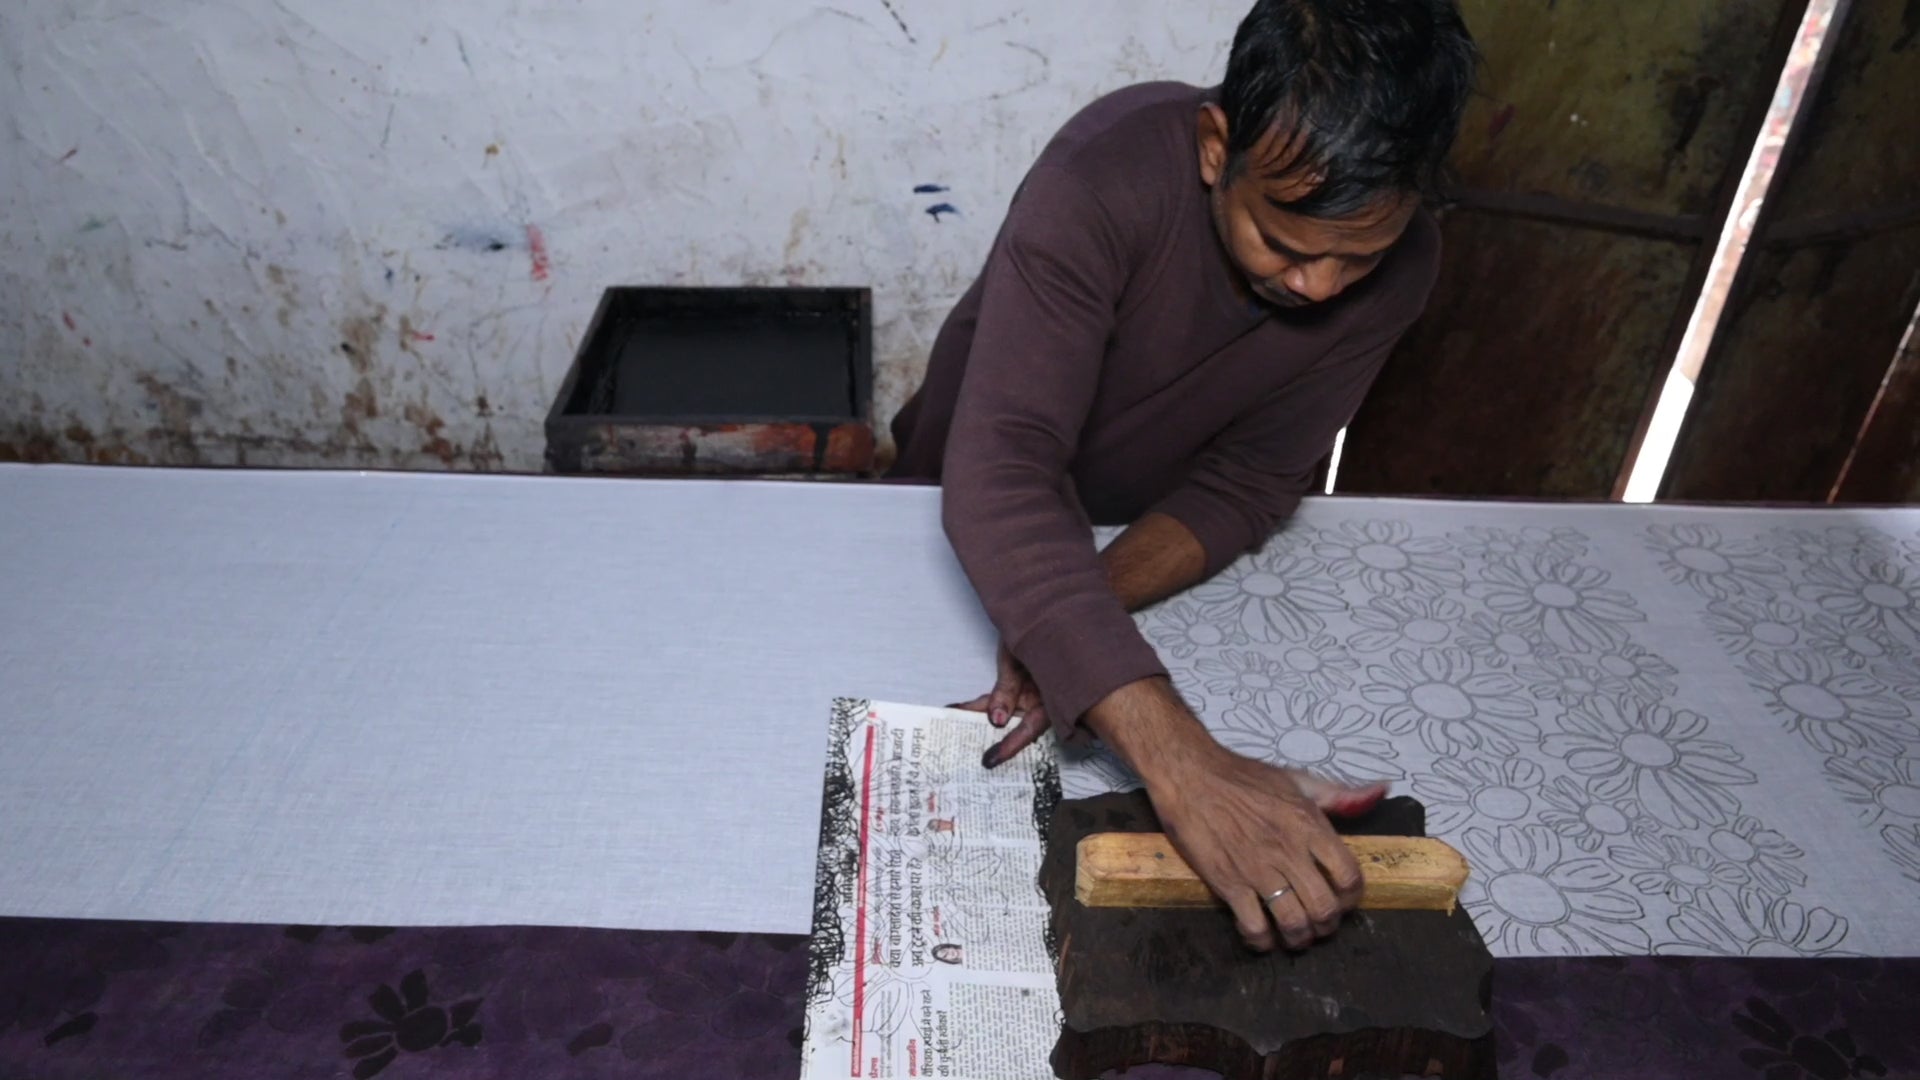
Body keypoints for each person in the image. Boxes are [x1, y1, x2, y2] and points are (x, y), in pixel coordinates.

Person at [888, 0, 1477, 953]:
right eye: (1284, 243)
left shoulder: (1403, 267)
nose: (1320, 287)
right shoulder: (1103, 176)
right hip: (945, 513)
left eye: (1356, 257)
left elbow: (1250, 482)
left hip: (1120, 552)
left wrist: (1072, 632)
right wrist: (1188, 766)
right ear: (1217, 148)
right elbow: (1002, 470)